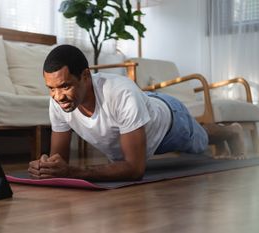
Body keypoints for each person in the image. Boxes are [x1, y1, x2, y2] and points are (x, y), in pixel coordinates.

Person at [28, 44, 245, 181]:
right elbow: (60, 160)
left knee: (200, 139)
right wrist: (47, 166)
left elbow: (135, 169)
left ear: (86, 76)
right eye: (51, 88)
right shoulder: (57, 102)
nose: (57, 96)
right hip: (141, 112)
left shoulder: (120, 93)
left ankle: (232, 131)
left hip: (168, 123)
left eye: (65, 86)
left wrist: (73, 172)